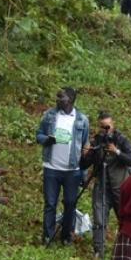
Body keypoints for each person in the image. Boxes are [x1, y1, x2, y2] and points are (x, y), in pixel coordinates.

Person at [80, 111, 131, 260]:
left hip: (121, 187)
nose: (105, 130)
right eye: (102, 127)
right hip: (102, 186)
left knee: (125, 220)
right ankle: (98, 251)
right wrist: (84, 155)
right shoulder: (96, 141)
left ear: (113, 124)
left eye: (107, 127)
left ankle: (126, 252)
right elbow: (84, 165)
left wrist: (116, 151)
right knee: (99, 219)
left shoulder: (121, 139)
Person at [36, 87, 89, 245]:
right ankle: (48, 236)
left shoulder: (81, 120)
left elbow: (84, 146)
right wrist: (47, 139)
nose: (58, 99)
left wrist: (83, 172)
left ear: (71, 99)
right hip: (51, 167)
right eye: (57, 96)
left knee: (70, 204)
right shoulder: (50, 115)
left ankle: (66, 236)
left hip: (72, 170)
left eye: (62, 97)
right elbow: (39, 134)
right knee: (50, 203)